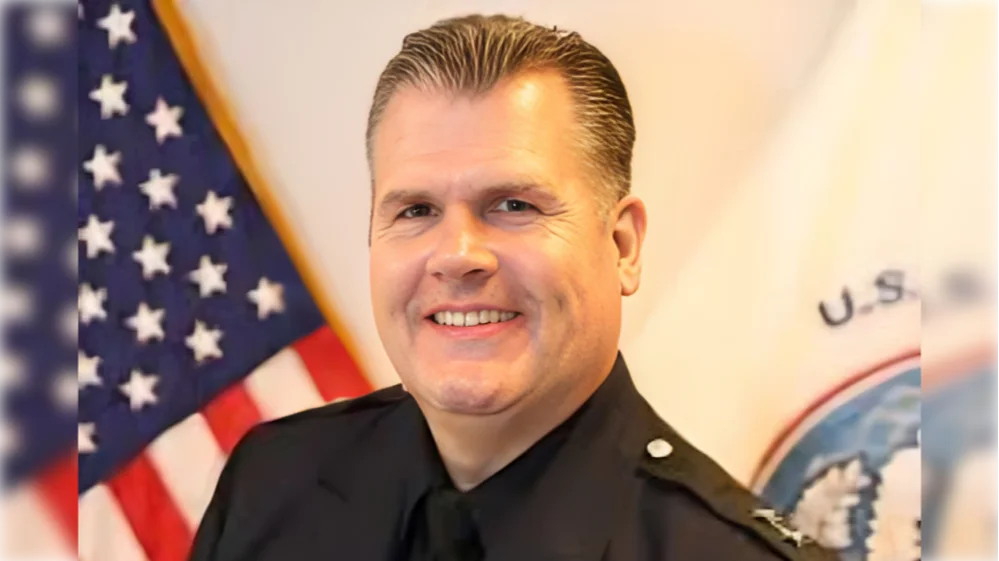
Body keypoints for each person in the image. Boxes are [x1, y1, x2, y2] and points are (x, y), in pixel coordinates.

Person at [189, 14, 835, 561]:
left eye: (513, 205)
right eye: (415, 210)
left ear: (622, 245)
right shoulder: (271, 486)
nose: (457, 255)